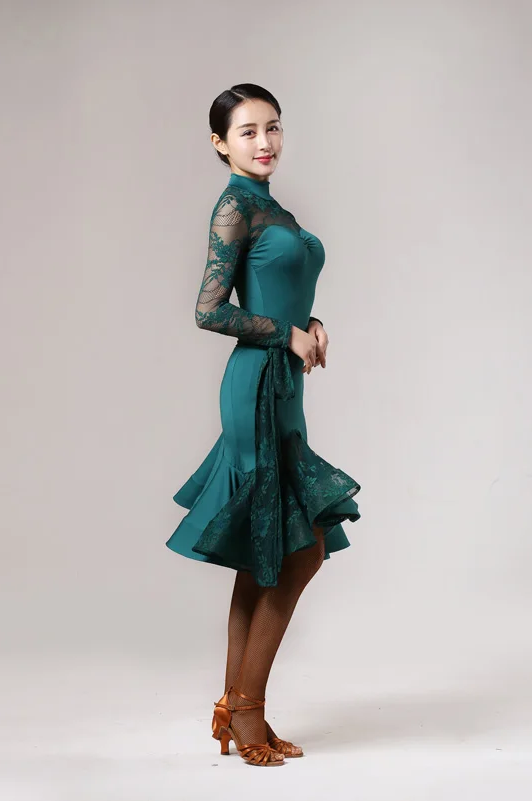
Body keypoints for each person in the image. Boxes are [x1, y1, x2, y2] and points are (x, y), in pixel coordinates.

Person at [166, 83, 362, 766]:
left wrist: (310, 323)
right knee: (298, 549)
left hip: (283, 386)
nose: (265, 142)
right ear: (220, 144)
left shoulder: (272, 206)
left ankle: (235, 708)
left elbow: (282, 291)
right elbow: (209, 309)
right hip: (254, 386)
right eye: (248, 132)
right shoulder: (234, 207)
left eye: (272, 127)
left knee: (266, 550)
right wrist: (286, 332)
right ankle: (246, 710)